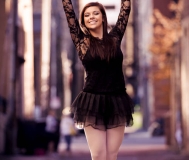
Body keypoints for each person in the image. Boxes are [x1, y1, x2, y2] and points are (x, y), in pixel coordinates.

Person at [62, 0, 134, 160]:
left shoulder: (115, 39)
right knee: (99, 155)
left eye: (95, 13)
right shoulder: (81, 43)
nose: (91, 17)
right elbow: (69, 12)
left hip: (117, 100)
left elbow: (125, 8)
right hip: (92, 101)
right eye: (86, 15)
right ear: (83, 21)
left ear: (103, 17)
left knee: (111, 155)